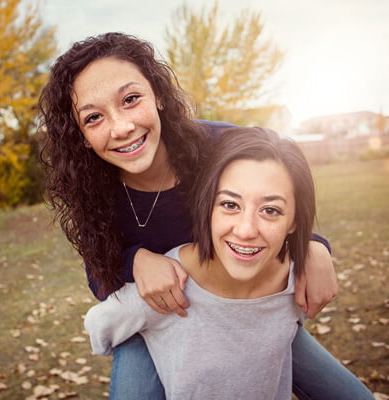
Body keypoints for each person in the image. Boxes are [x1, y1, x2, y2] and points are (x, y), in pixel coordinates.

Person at [38, 32, 368, 399]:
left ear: (158, 95)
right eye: (94, 118)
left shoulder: (221, 148)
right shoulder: (89, 187)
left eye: (131, 100)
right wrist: (137, 262)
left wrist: (313, 246)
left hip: (239, 306)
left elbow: (282, 189)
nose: (121, 127)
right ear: (81, 135)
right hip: (157, 316)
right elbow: (98, 275)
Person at [84, 127, 373, 400]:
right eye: (230, 205)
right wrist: (136, 268)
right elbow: (101, 324)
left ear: (294, 221)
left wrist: (315, 246)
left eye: (270, 210)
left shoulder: (295, 284)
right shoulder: (164, 290)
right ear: (206, 206)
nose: (246, 229)